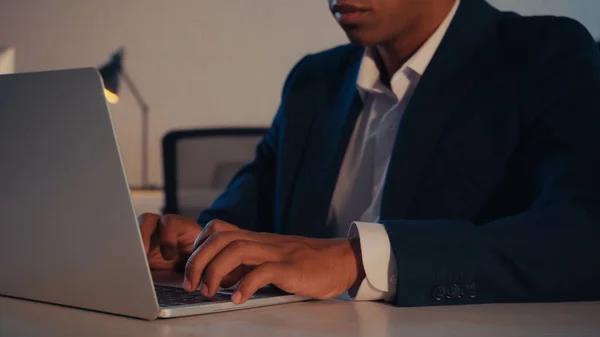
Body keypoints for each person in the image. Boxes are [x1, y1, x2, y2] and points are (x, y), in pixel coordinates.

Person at [139, 0, 600, 307]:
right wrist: (195, 245)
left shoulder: (544, 54)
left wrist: (358, 259)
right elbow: (253, 203)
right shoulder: (313, 82)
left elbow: (582, 233)